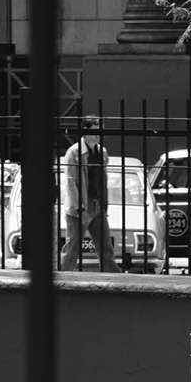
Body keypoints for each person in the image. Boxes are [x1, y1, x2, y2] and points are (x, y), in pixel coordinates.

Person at [59, 115, 121, 272]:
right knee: (72, 249)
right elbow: (71, 182)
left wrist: (104, 205)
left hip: (97, 206)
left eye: (100, 131)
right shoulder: (74, 152)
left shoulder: (102, 152)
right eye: (94, 131)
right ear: (85, 132)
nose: (98, 135)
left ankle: (114, 280)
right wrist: (79, 207)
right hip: (79, 208)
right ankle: (62, 278)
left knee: (106, 249)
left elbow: (103, 180)